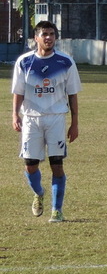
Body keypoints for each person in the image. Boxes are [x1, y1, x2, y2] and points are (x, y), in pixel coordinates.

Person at [11, 21, 82, 223]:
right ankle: (39, 192)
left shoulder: (65, 62)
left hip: (56, 119)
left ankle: (56, 210)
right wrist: (15, 115)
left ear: (55, 37)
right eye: (44, 34)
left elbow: (72, 94)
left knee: (57, 164)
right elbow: (18, 92)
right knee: (30, 165)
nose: (48, 37)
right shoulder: (24, 62)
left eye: (52, 34)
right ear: (36, 38)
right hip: (31, 119)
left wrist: (75, 122)